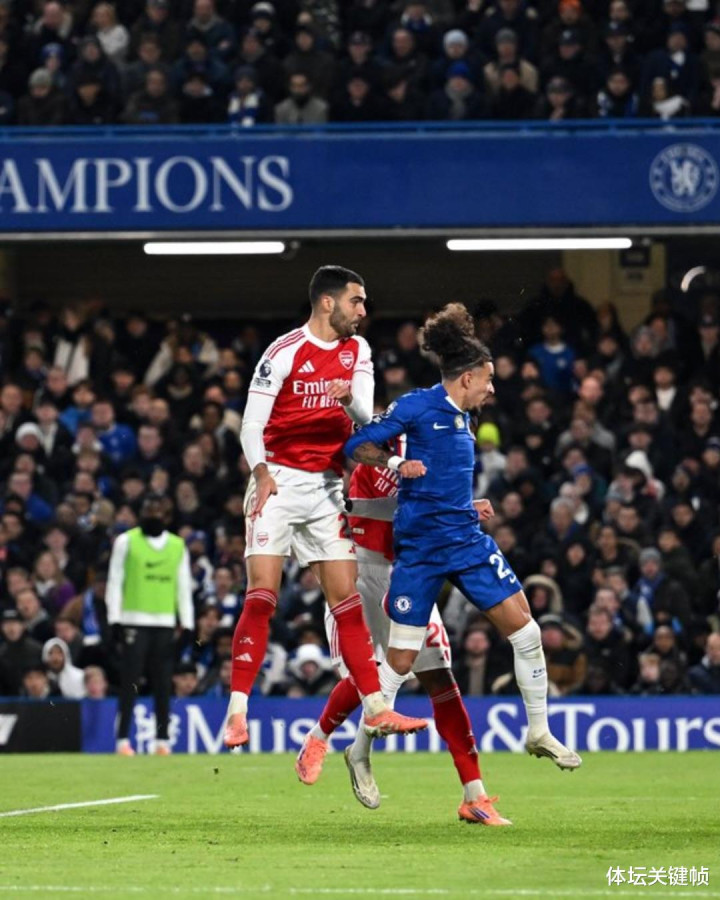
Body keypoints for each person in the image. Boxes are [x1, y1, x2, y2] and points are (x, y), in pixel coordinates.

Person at [343, 303, 582, 780]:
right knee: (401, 661)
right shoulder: (415, 406)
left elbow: (443, 483)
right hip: (421, 550)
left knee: (527, 632)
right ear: (467, 377)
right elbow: (357, 445)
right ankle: (359, 750)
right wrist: (396, 464)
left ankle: (539, 731)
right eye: (488, 380)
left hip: (467, 542)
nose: (493, 388)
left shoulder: (465, 419)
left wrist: (469, 506)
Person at [223, 265, 427, 749]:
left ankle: (376, 707)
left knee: (346, 598)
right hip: (278, 479)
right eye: (357, 300)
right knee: (262, 595)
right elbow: (250, 425)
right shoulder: (283, 352)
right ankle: (237, 710)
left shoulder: (359, 350)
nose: (363, 310)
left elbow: (365, 416)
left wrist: (348, 398)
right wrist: (261, 474)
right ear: (328, 302)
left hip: (326, 487)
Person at [295, 456, 505, 825]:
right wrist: (460, 508)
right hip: (362, 571)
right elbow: (388, 508)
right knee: (368, 675)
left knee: (441, 677)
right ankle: (319, 737)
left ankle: (475, 796)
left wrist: (457, 509)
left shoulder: (434, 455)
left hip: (409, 573)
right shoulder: (378, 456)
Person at [107, 493, 194, 755]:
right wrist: (114, 619)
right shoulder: (126, 541)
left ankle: (162, 741)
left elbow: (183, 587)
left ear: (166, 516)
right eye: (148, 510)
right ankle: (122, 739)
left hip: (165, 622)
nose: (153, 515)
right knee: (130, 682)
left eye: (158, 511)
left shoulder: (178, 546)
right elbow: (114, 581)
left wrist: (187, 624)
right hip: (133, 620)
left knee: (163, 683)